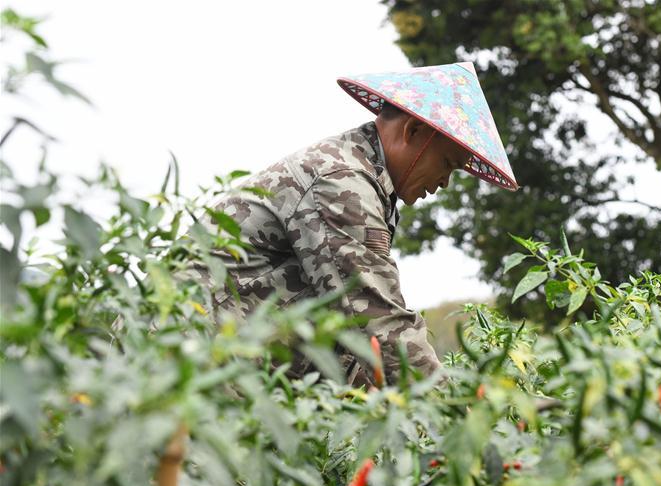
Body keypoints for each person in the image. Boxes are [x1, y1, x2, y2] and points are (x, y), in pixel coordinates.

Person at [185, 62, 518, 387]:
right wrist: (453, 411)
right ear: (413, 131)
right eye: (447, 163)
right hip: (185, 354)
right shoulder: (343, 182)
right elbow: (376, 319)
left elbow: (345, 322)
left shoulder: (365, 180)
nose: (445, 181)